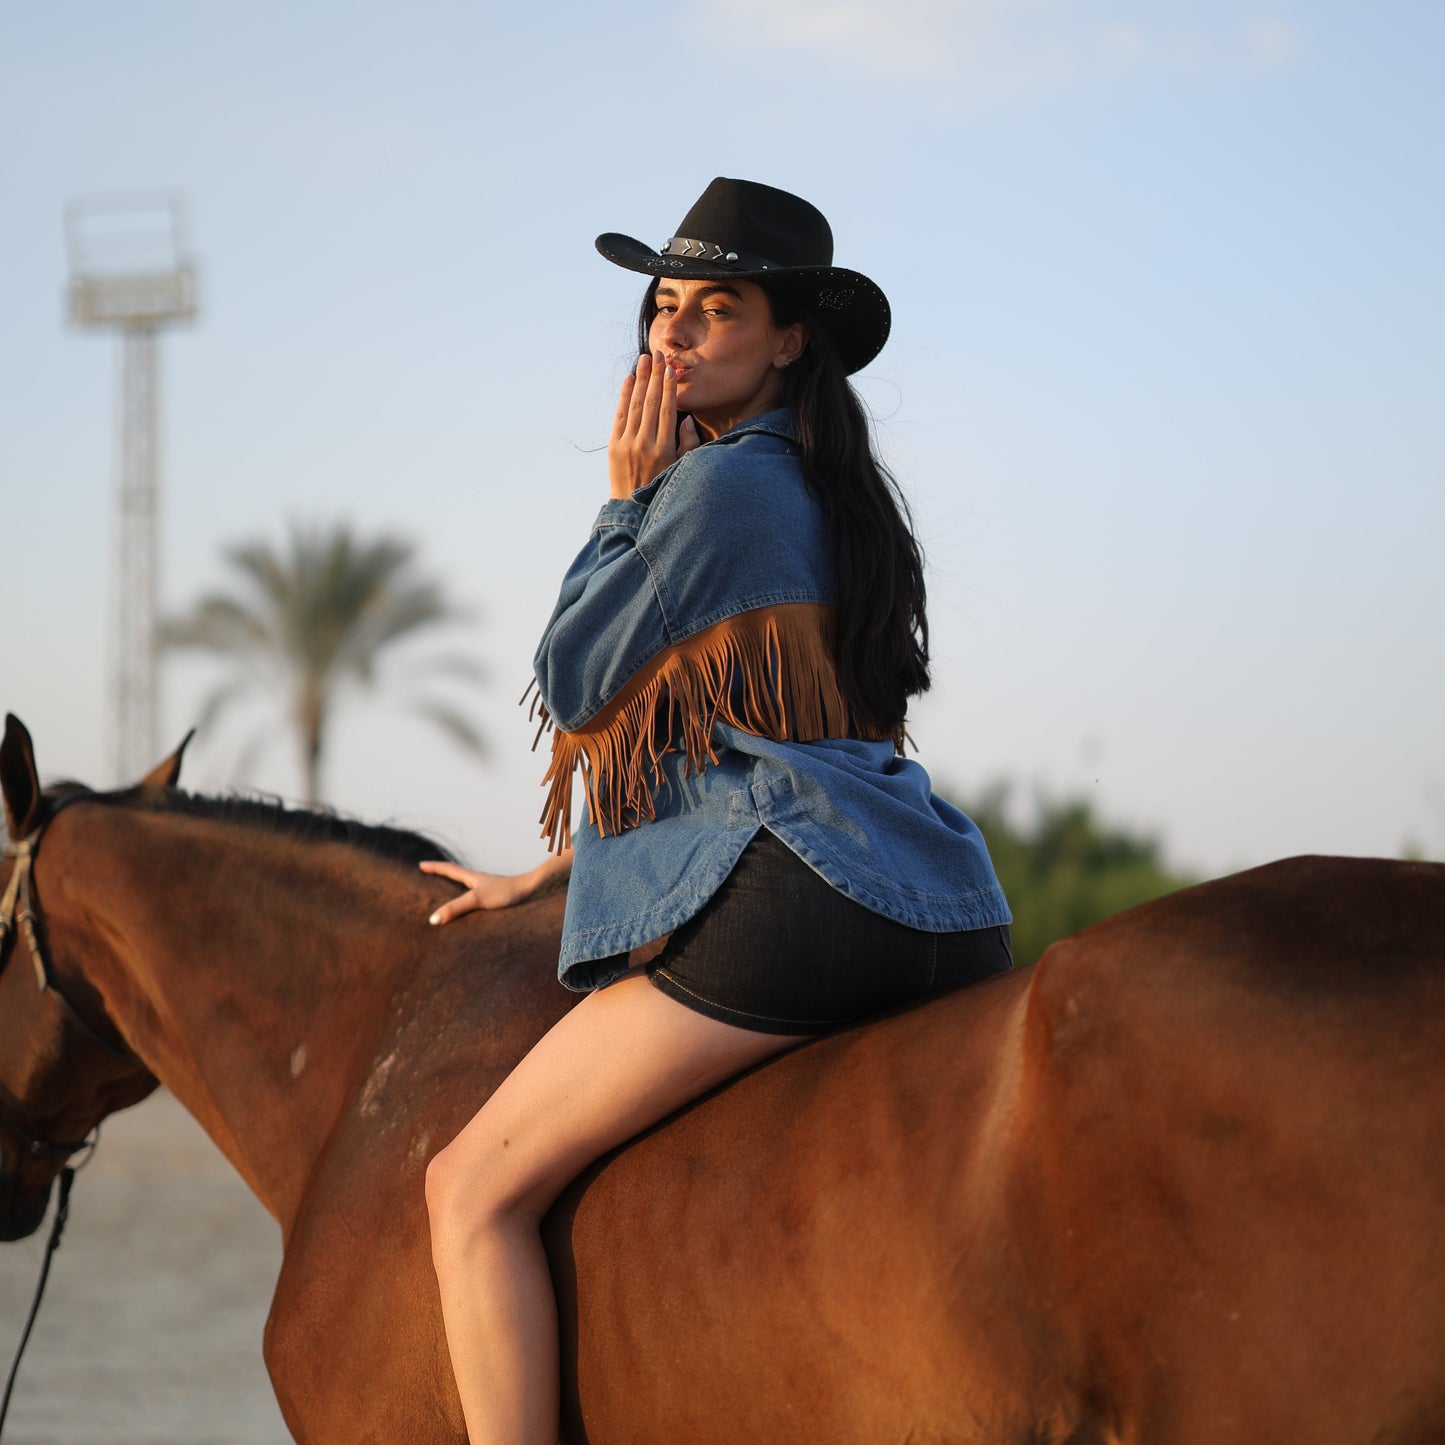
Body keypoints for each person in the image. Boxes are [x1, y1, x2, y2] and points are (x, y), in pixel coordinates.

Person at [419, 177, 1012, 1445]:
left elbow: (578, 681)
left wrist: (625, 500)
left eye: (715, 311)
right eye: (662, 310)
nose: (672, 338)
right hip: (941, 898)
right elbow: (765, 744)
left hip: (798, 907)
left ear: (788, 338)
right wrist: (558, 869)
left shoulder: (713, 489)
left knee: (466, 1188)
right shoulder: (841, 493)